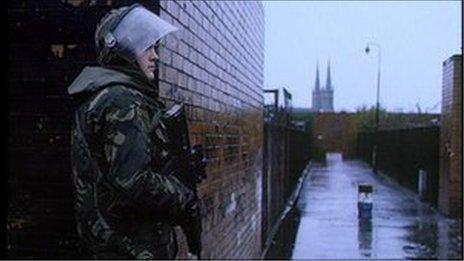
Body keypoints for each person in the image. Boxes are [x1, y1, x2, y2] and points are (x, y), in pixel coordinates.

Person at [68, 4, 200, 259]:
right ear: (123, 51)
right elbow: (133, 183)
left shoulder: (103, 97)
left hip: (113, 247)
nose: (155, 56)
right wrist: (182, 194)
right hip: (132, 249)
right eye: (146, 47)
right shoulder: (123, 101)